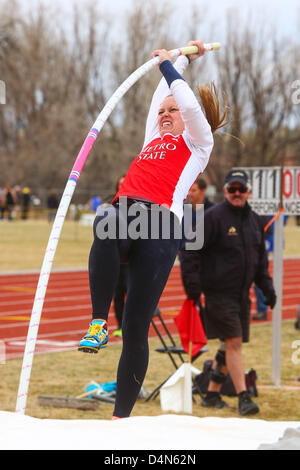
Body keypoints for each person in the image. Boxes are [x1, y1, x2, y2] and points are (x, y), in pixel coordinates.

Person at [78, 40, 228, 419]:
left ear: (188, 120)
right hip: (127, 210)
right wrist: (182, 58)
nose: (164, 114)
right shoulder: (153, 138)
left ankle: (120, 418)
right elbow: (165, 94)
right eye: (162, 111)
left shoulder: (198, 143)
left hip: (162, 225)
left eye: (171, 111)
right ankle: (98, 322)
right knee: (106, 223)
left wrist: (169, 64)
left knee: (136, 326)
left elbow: (188, 104)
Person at [181, 169, 277, 416]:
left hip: (242, 294)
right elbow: (190, 251)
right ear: (225, 191)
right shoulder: (212, 218)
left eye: (241, 189)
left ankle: (211, 394)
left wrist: (267, 288)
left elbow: (259, 261)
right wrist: (193, 287)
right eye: (232, 189)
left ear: (248, 192)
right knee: (234, 342)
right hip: (218, 293)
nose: (236, 193)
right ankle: (244, 396)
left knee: (228, 343)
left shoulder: (255, 221)